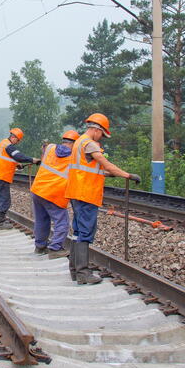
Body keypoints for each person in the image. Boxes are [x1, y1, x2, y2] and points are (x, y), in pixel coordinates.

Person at [65, 113, 141, 285]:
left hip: (76, 191)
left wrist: (109, 174)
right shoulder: (90, 144)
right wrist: (127, 175)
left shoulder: (78, 142)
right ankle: (83, 273)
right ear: (97, 129)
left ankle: (74, 271)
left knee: (77, 232)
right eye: (102, 134)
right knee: (85, 231)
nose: (102, 138)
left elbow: (91, 168)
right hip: (86, 193)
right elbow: (105, 163)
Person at [30, 130, 80, 258]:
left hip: (38, 190)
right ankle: (55, 248)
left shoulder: (51, 147)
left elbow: (44, 152)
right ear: (74, 143)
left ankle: (40, 247)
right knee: (62, 221)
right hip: (54, 193)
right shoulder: (74, 157)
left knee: (41, 220)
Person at [0, 128, 39, 229]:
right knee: (5, 200)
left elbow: (6, 158)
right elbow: (18, 156)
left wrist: (16, 164)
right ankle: (1, 222)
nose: (17, 142)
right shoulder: (9, 146)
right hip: (2, 176)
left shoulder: (3, 143)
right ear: (14, 137)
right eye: (18, 140)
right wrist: (32, 160)